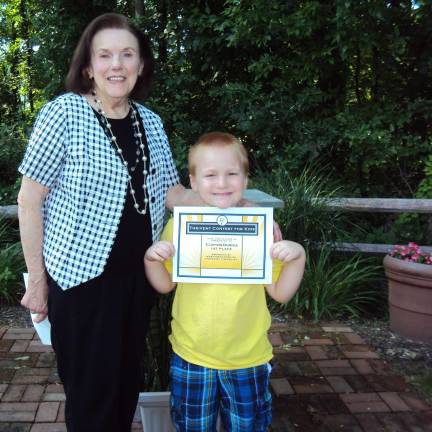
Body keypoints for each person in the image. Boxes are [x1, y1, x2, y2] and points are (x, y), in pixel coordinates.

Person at [17, 12, 188, 432]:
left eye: (127, 54)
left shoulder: (150, 122)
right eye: (105, 55)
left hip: (138, 281)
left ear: (140, 64)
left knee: (125, 388)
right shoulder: (65, 114)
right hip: (81, 284)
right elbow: (28, 200)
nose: (117, 64)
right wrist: (37, 281)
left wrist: (235, 205)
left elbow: (174, 193)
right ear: (89, 67)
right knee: (91, 397)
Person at [144, 132, 306, 432]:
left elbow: (281, 293)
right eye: (210, 175)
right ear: (193, 182)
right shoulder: (180, 227)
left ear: (245, 180)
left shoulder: (260, 229)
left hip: (248, 358)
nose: (222, 183)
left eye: (232, 173)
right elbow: (165, 285)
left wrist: (297, 258)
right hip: (191, 356)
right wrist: (152, 259)